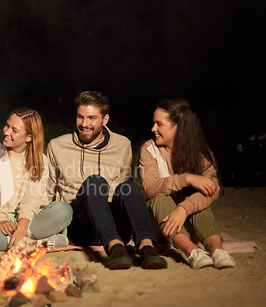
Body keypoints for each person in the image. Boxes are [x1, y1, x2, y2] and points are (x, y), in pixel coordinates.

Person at [47, 91, 167, 270]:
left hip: (117, 225)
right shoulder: (57, 145)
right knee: (95, 182)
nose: (84, 124)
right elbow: (48, 191)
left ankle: (147, 247)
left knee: (129, 187)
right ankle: (115, 249)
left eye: (92, 118)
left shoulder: (122, 144)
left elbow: (124, 190)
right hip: (81, 225)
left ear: (105, 119)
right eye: (80, 117)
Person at [139, 98, 235, 269]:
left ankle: (217, 251)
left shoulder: (199, 152)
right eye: (154, 123)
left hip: (187, 222)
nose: (153, 129)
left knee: (199, 199)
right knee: (159, 198)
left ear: (178, 127)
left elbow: (213, 189)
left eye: (159, 124)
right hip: (158, 224)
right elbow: (150, 187)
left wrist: (183, 209)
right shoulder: (149, 150)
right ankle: (192, 252)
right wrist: (187, 178)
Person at [0, 108, 72, 251]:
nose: (6, 132)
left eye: (14, 130)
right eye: (7, 126)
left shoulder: (41, 160)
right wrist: (0, 219)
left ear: (29, 137)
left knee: (63, 210)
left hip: (28, 221)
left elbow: (33, 198)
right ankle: (37, 243)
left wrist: (22, 228)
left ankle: (3, 244)